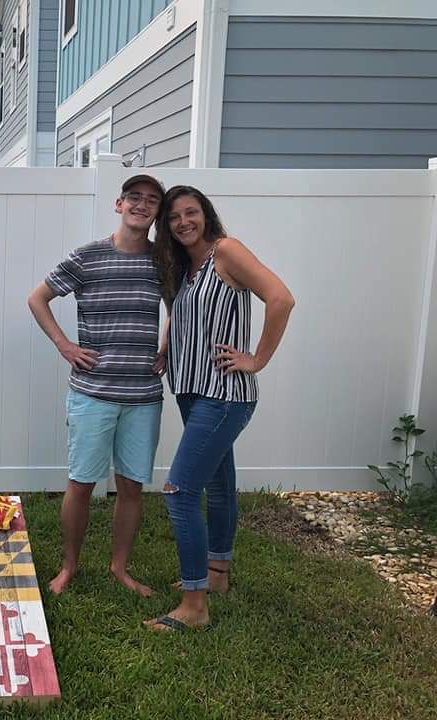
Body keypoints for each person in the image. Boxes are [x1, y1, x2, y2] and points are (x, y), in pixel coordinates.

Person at [146, 185, 294, 631]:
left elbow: (281, 298)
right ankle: (217, 574)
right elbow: (182, 313)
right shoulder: (185, 268)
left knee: (179, 492)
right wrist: (167, 344)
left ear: (205, 214)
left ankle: (194, 607)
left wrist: (257, 359)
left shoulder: (226, 252)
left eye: (190, 212)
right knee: (219, 485)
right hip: (191, 390)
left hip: (224, 395)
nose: (183, 222)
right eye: (174, 217)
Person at [27, 174, 168, 597]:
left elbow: (179, 307)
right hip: (92, 393)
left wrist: (166, 346)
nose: (141, 205)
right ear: (119, 204)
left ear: (157, 212)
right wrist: (64, 345)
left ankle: (119, 568)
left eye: (151, 200)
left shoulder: (163, 261)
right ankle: (69, 566)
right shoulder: (87, 257)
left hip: (143, 397)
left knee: (131, 487)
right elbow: (37, 298)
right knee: (82, 483)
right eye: (134, 197)